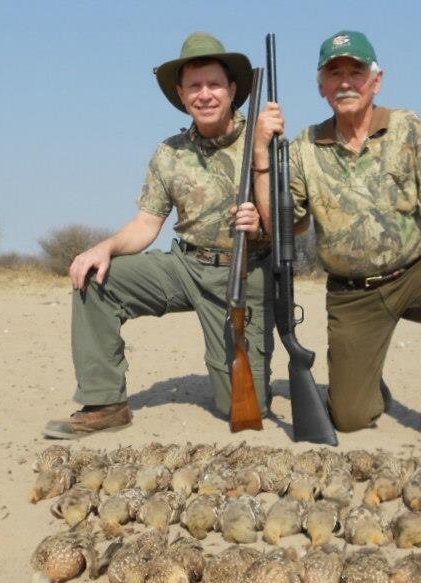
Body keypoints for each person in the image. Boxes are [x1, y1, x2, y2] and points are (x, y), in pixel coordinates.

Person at [254, 30, 421, 453]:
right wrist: (262, 154)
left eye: (356, 71)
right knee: (350, 419)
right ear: (321, 87)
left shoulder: (409, 126)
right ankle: (366, 384)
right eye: (335, 74)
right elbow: (281, 228)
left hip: (415, 272)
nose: (346, 82)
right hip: (353, 296)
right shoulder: (302, 148)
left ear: (377, 80)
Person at [44, 32, 271, 439]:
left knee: (241, 405)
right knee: (96, 281)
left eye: (214, 84)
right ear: (182, 94)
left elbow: (295, 223)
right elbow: (147, 224)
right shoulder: (169, 151)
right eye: (194, 86)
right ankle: (106, 402)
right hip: (185, 266)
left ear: (233, 89)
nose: (205, 94)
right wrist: (104, 247)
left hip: (242, 275)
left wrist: (261, 224)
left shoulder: (264, 141)